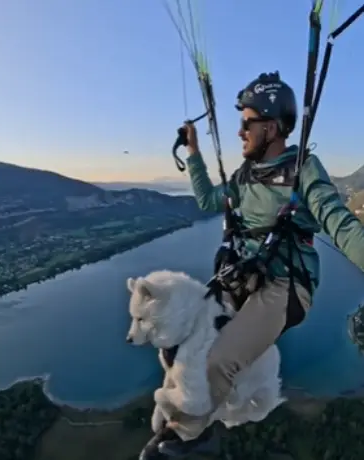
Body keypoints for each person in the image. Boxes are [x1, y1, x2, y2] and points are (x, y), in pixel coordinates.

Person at [145, 72, 364, 458]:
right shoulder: (244, 176)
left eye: (247, 123)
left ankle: (193, 440)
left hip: (285, 285)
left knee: (217, 362)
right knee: (176, 344)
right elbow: (211, 201)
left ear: (273, 127)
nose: (240, 132)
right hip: (244, 277)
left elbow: (341, 225)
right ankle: (179, 417)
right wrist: (193, 151)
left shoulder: (303, 170)